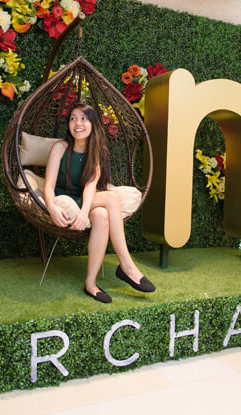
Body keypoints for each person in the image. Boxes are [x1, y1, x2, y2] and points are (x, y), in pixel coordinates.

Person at [43, 103, 155, 303]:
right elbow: (49, 186)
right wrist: (51, 206)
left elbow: (90, 186)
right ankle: (127, 266)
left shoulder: (97, 151)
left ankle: (90, 283)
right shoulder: (60, 148)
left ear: (93, 125)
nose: (78, 123)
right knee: (110, 198)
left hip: (85, 198)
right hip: (64, 196)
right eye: (73, 118)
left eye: (84, 118)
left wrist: (84, 212)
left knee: (102, 215)